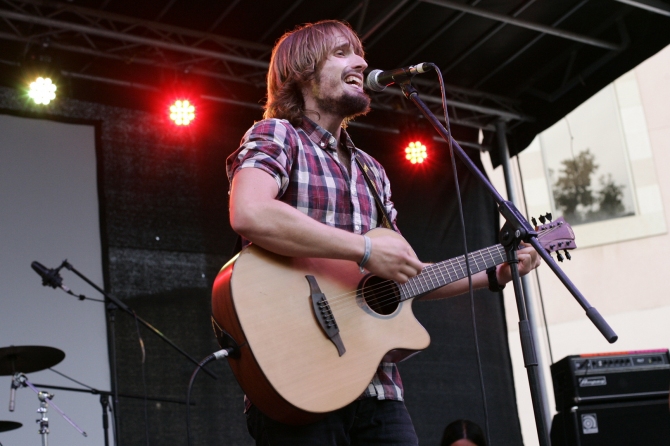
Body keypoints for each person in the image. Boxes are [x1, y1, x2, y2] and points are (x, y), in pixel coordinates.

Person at [226, 19, 540, 446]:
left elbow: (402, 275)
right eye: (342, 53)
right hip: (299, 382)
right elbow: (250, 211)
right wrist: (364, 249)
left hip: (379, 388)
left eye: (360, 54)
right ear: (301, 71)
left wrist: (495, 273)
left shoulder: (371, 170)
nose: (360, 62)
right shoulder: (278, 134)